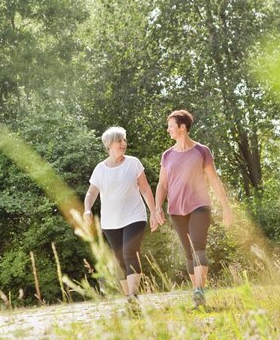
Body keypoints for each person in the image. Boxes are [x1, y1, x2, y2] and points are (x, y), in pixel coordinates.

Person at [153, 110, 233, 307]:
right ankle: (198, 295)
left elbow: (214, 180)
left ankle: (199, 290)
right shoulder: (167, 155)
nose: (168, 130)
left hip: (199, 205)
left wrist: (226, 207)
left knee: (198, 247)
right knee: (188, 252)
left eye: (171, 126)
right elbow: (162, 184)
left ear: (182, 128)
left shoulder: (201, 151)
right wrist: (156, 208)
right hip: (175, 209)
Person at [83, 126, 155, 301]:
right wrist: (87, 209)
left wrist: (153, 211)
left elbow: (145, 189)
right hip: (110, 222)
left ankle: (133, 295)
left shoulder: (133, 163)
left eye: (124, 140)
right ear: (109, 144)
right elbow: (92, 193)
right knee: (119, 259)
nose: (123, 144)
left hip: (134, 216)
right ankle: (128, 297)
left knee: (130, 252)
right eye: (119, 141)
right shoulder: (100, 169)